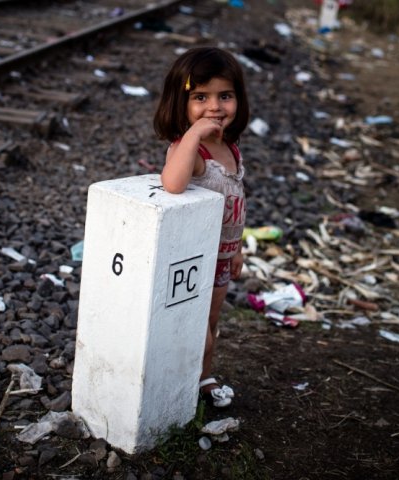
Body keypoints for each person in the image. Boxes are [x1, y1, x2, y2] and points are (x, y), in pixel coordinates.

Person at [153, 47, 249, 408]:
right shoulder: (189, 150)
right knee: (195, 327)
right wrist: (192, 134)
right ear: (182, 103)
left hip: (222, 256)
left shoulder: (230, 146)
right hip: (195, 258)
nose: (215, 107)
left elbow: (237, 199)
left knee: (211, 322)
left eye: (225, 96)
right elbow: (173, 183)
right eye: (200, 98)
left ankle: (204, 378)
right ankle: (181, 385)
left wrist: (237, 247)